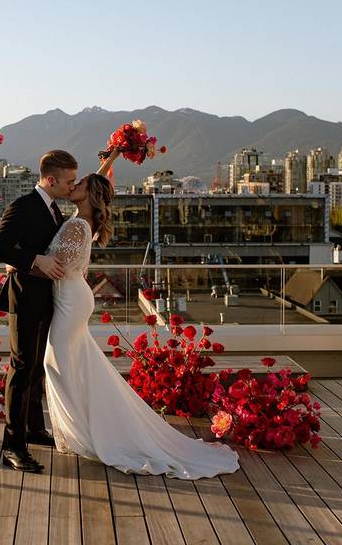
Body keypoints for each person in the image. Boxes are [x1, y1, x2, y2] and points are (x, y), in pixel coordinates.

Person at [42, 163, 240, 479]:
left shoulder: (79, 225)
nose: (73, 185)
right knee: (72, 364)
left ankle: (83, 434)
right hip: (72, 297)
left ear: (90, 195)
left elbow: (60, 266)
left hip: (70, 299)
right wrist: (112, 156)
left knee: (59, 363)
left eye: (79, 183)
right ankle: (79, 431)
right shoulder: (84, 221)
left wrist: (22, 264)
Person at [0, 150, 78, 473]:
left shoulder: (54, 209)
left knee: (36, 368)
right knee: (21, 369)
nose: (72, 186)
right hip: (24, 299)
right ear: (50, 180)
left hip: (44, 299)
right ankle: (12, 447)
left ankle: (34, 429)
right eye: (68, 181)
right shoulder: (23, 206)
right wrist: (35, 260)